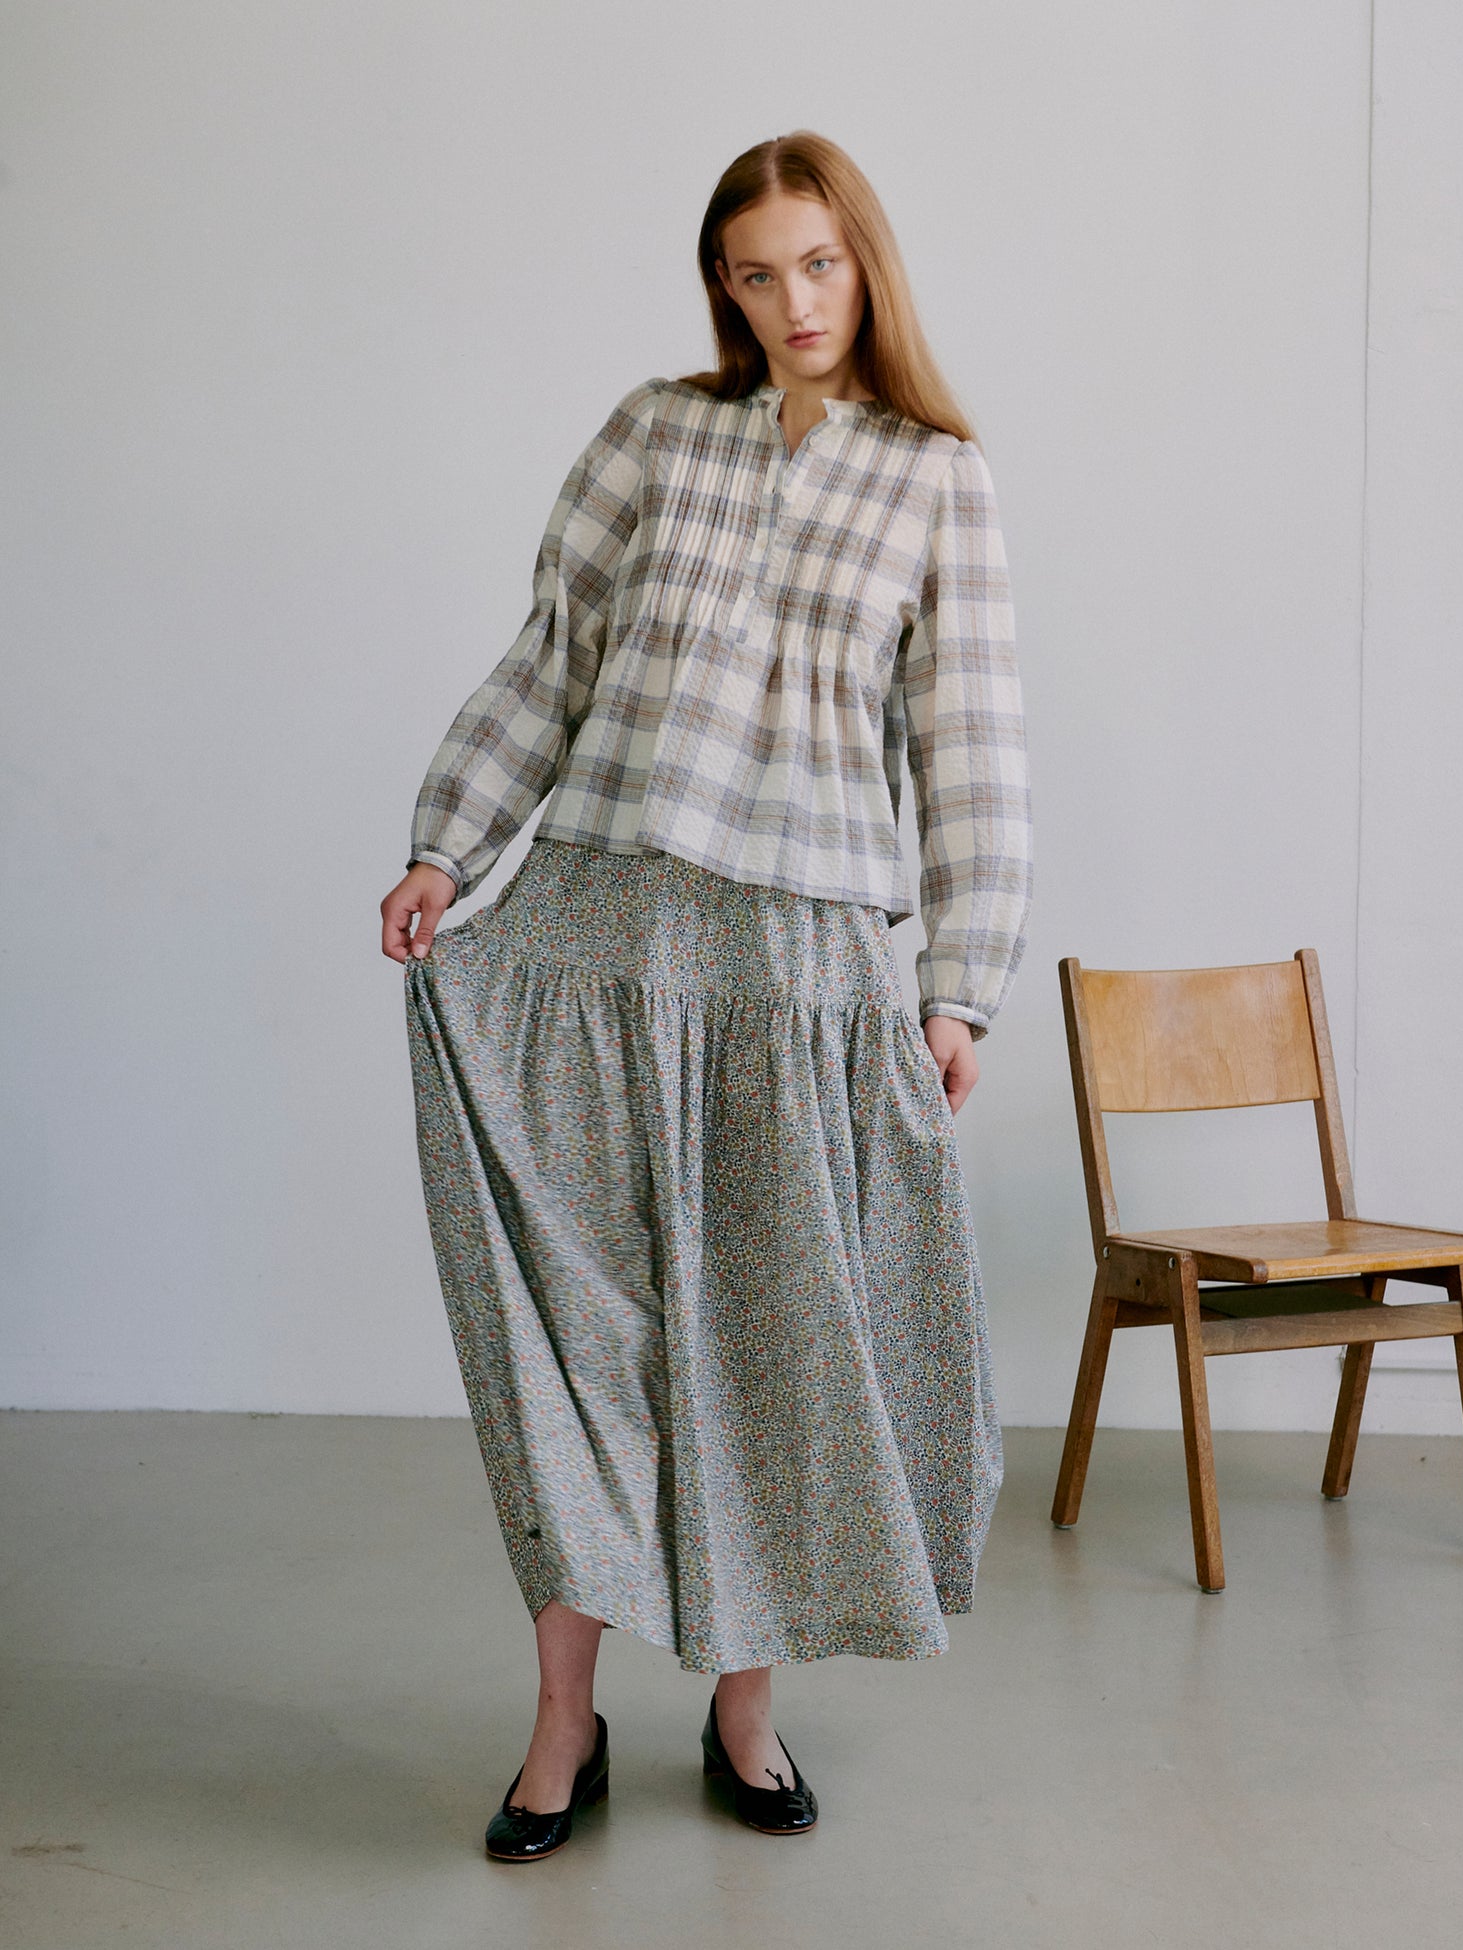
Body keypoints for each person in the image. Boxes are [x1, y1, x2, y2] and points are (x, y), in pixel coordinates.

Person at [380, 128, 1032, 1861]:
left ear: (864, 261)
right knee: (583, 1343)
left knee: (769, 1345)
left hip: (795, 964)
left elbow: (970, 759)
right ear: (723, 286)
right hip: (594, 929)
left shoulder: (936, 476)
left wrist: (958, 987)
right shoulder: (656, 435)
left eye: (817, 262)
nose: (792, 300)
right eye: (756, 271)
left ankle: (746, 1713)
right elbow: (554, 657)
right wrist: (451, 845)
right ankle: (562, 1724)